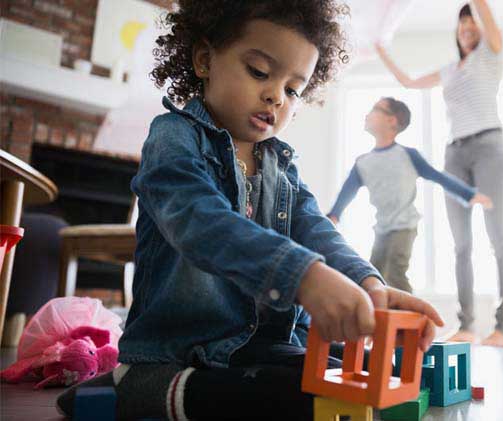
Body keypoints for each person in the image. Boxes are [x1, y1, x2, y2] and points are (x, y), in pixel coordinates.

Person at [56, 2, 443, 420]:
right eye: (260, 72)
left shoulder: (281, 164)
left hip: (263, 345)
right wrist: (303, 276)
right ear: (205, 59)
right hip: (180, 351)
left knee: (369, 378)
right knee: (292, 399)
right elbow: (201, 222)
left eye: (294, 89)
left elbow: (314, 227)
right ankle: (140, 386)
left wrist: (368, 283)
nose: (276, 95)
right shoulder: (172, 138)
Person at [376, 0, 503, 347]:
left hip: (490, 149)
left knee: (498, 239)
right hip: (455, 153)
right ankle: (466, 325)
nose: (468, 28)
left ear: (482, 29)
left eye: (473, 24)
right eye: (462, 24)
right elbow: (408, 82)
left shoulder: (491, 54)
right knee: (461, 244)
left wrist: (476, 10)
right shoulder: (451, 69)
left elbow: (484, 13)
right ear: (456, 32)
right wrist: (380, 49)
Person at [327, 97, 492, 294]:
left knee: (395, 273)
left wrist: (468, 195)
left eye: (375, 109)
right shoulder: (363, 162)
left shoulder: (408, 155)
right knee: (373, 277)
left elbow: (438, 176)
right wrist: (334, 215)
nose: (367, 114)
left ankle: (417, 318)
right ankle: (382, 321)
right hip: (381, 228)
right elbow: (347, 192)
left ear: (392, 121)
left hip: (404, 226)